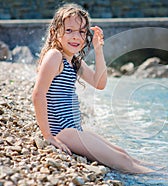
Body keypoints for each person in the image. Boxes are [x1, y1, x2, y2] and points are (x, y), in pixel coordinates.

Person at [32, 3, 153, 174]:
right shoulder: (55, 56)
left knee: (124, 154)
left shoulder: (74, 61)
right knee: (123, 162)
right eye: (69, 31)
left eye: (81, 32)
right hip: (64, 132)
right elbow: (38, 94)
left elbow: (99, 83)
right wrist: (48, 136)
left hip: (74, 129)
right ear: (55, 32)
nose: (76, 37)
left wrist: (98, 49)